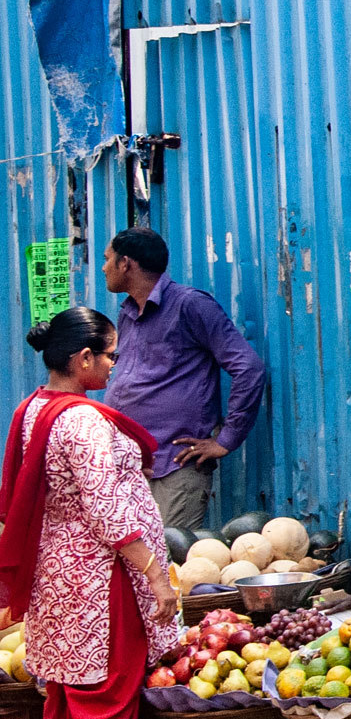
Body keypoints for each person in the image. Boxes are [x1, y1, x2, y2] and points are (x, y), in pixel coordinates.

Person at [0, 308, 178, 719]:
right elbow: (108, 512)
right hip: (99, 580)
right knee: (105, 694)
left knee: (65, 696)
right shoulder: (84, 422)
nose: (114, 365)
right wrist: (156, 575)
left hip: (56, 575)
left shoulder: (32, 409)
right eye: (110, 355)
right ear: (83, 359)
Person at [100, 227, 267, 531]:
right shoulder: (127, 312)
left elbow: (248, 367)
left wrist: (226, 440)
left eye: (107, 259)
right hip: (132, 464)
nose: (103, 267)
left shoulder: (190, 305)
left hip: (173, 464)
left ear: (126, 263)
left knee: (166, 560)